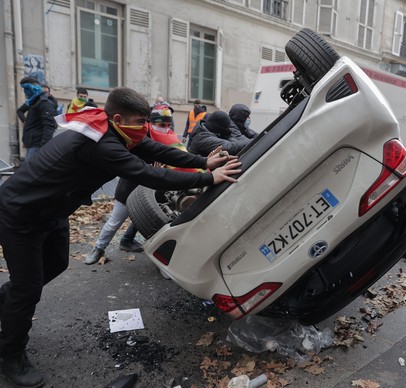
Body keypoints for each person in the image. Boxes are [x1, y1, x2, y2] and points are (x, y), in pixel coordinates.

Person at [0, 87, 241, 387]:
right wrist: (207, 178)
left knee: (57, 264)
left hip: (52, 211)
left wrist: (202, 162)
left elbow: (153, 149)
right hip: (21, 212)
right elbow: (150, 175)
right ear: (117, 118)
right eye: (140, 122)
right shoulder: (101, 144)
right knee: (28, 288)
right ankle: (10, 354)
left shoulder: (111, 128)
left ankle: (6, 303)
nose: (145, 128)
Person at [85, 102, 192, 265]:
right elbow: (130, 162)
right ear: (150, 122)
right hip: (130, 189)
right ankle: (98, 248)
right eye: (161, 124)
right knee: (115, 222)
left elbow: (176, 157)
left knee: (148, 221)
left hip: (151, 191)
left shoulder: (169, 138)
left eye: (168, 125)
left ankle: (139, 248)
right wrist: (151, 168)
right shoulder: (137, 136)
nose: (165, 128)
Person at [17, 76, 58, 161]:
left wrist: (43, 147)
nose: (25, 92)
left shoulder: (44, 103)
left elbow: (49, 126)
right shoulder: (33, 102)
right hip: (31, 145)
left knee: (31, 172)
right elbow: (20, 111)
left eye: (26, 88)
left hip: (37, 146)